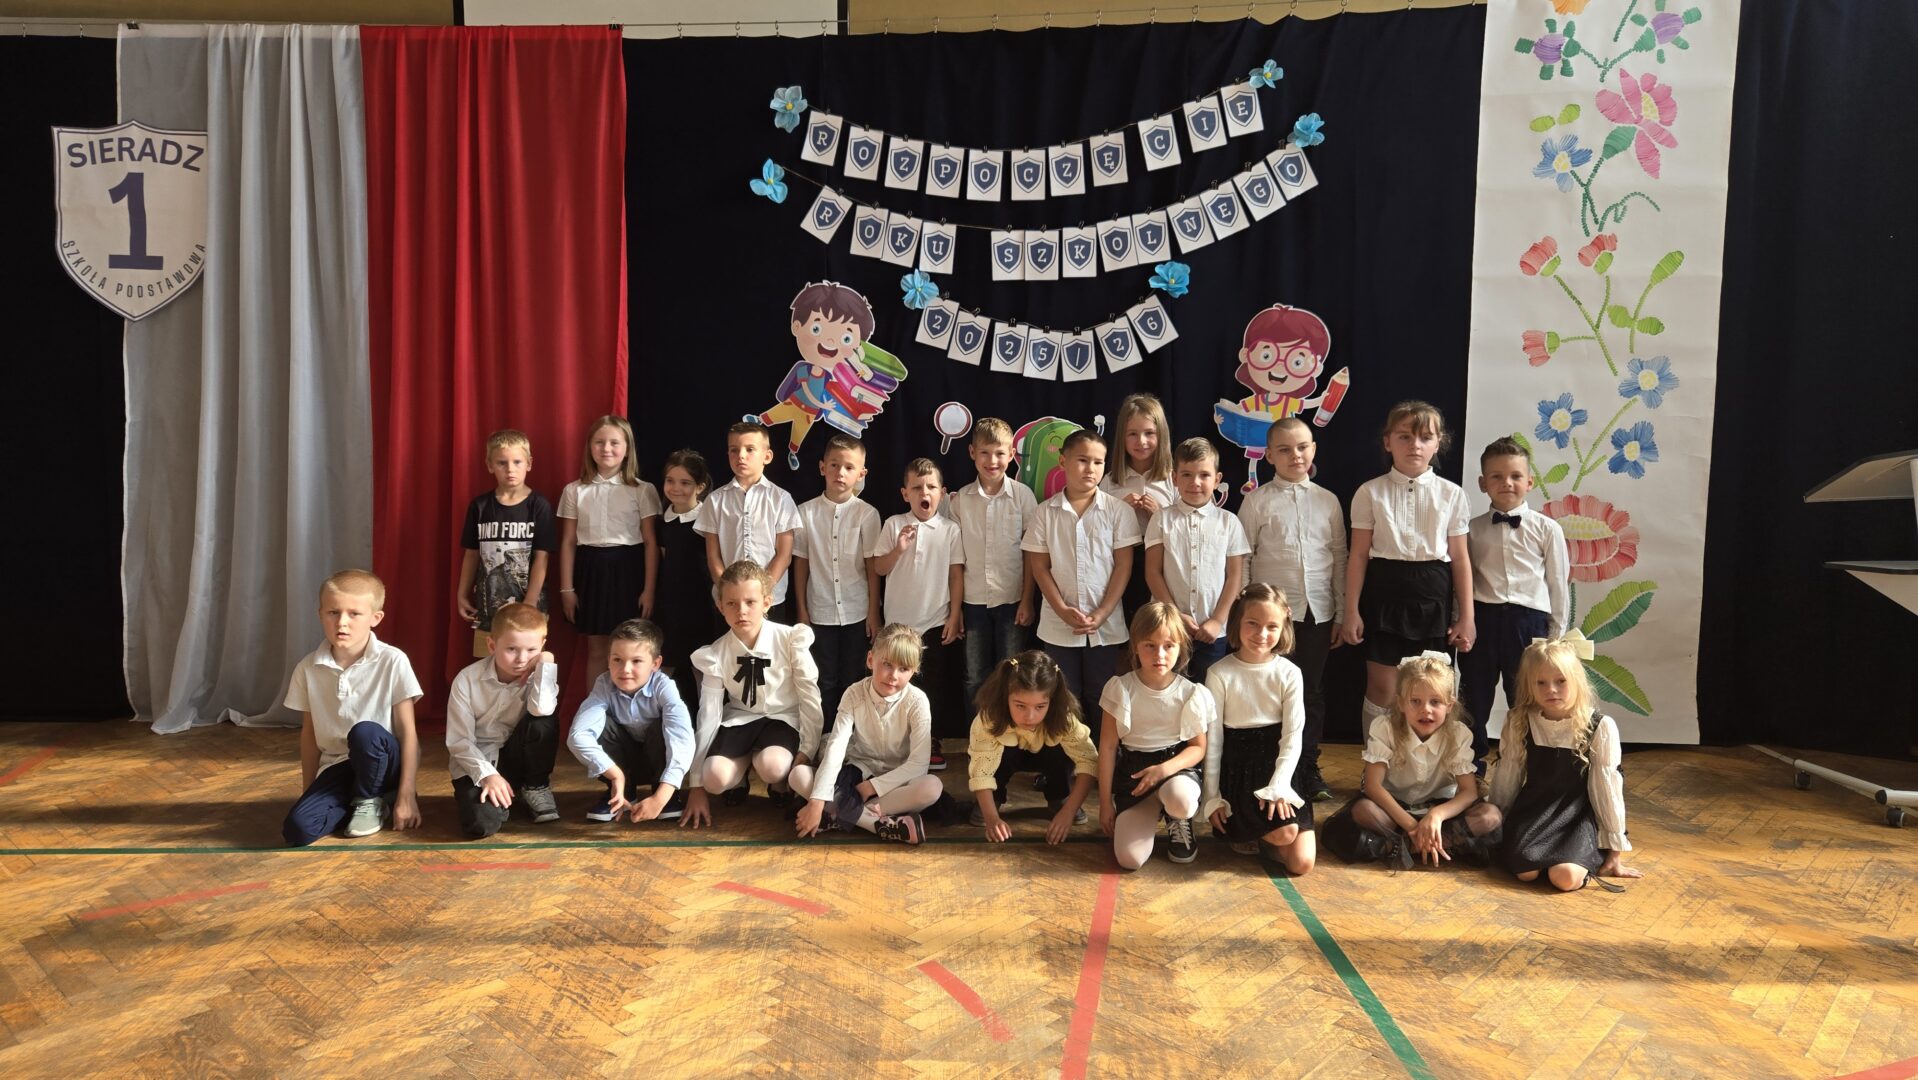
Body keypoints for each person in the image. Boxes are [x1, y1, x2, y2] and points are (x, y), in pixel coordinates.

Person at [1342, 401, 1475, 740]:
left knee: (1431, 688)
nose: (1414, 445)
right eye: (1404, 436)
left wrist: (1467, 617)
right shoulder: (1370, 492)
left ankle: (1428, 765)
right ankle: (1377, 762)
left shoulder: (1452, 494)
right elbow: (1358, 556)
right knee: (1383, 688)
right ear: (1388, 442)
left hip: (1433, 596)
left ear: (1438, 443)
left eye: (1425, 437)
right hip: (1384, 594)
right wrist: (1351, 610)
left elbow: (1460, 558)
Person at [1236, 417, 1346, 801]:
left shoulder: (1328, 501)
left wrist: (1341, 612)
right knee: (1269, 692)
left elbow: (1339, 557)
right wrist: (1245, 614)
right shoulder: (1256, 501)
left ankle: (1306, 768)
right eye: (1284, 449)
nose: (1295, 455)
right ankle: (1266, 767)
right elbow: (1243, 558)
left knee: (1309, 693)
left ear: (1313, 449)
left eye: (1302, 447)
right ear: (1269, 456)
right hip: (1270, 620)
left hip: (1316, 613)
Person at [281, 570, 424, 846]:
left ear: (375, 618)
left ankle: (375, 797)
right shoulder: (307, 668)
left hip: (383, 759)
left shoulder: (393, 661)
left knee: (365, 732)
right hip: (339, 765)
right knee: (298, 829)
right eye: (333, 612)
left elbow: (408, 734)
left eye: (354, 614)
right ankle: (362, 801)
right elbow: (309, 736)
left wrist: (408, 795)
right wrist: (308, 791)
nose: (342, 623)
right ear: (320, 614)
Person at [1488, 634, 1642, 891]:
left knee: (1565, 878)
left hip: (1575, 816)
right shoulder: (1520, 720)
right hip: (1534, 811)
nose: (1551, 689)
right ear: (1529, 686)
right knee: (1526, 872)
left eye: (1561, 681)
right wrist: (1497, 821)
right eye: (1541, 683)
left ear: (1576, 680)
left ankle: (1579, 862)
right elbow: (1508, 775)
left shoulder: (1599, 726)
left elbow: (1607, 789)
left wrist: (1615, 849)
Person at [1320, 652, 1503, 868]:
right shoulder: (1385, 727)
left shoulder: (1458, 734)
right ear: (1400, 703)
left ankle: (1406, 845)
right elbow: (1372, 786)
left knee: (1490, 816)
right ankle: (1427, 841)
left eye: (1435, 702)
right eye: (1415, 701)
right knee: (1364, 811)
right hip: (1393, 809)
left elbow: (1469, 792)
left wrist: (1436, 815)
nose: (1426, 710)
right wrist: (1410, 825)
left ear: (1450, 705)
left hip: (1441, 810)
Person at [681, 561, 822, 827]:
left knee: (773, 766)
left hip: (782, 718)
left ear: (767, 603)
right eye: (731, 603)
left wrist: (808, 749)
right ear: (720, 606)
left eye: (750, 602)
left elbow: (810, 697)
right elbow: (709, 714)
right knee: (714, 779)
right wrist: (696, 784)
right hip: (741, 719)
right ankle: (741, 773)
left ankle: (778, 782)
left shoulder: (790, 639)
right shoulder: (716, 653)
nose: (741, 611)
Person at [1462, 437, 1570, 769]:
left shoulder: (1547, 529)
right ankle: (1471, 767)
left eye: (1515, 476)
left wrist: (1556, 636)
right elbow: (1462, 582)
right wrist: (1460, 621)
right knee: (1473, 698)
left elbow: (1558, 583)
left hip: (1529, 624)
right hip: (1482, 622)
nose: (1506, 483)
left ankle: (1529, 767)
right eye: (1496, 476)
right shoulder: (1470, 530)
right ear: (1483, 483)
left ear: (1529, 481)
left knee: (1527, 698)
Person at [789, 623, 943, 845]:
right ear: (870, 659)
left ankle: (835, 814)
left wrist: (872, 787)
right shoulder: (854, 694)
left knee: (932, 788)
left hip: (895, 782)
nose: (893, 676)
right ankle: (875, 823)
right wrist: (816, 800)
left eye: (904, 669)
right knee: (798, 776)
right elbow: (836, 748)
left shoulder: (917, 701)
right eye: (887, 664)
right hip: (857, 774)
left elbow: (918, 763)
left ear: (914, 671)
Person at [1201, 583, 1314, 875]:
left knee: (1301, 863)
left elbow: (1292, 737)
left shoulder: (1290, 673)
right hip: (1239, 771)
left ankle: (1261, 837)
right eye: (1253, 623)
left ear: (1283, 626)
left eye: (1271, 626)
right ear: (1238, 621)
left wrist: (1280, 785)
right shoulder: (1219, 673)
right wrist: (1212, 796)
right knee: (1285, 834)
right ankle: (1255, 832)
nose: (1261, 634)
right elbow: (1214, 742)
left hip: (1280, 769)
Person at [1023, 428, 1142, 705]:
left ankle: (1103, 737)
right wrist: (1062, 609)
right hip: (1058, 625)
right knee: (1064, 696)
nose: (1090, 468)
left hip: (1106, 626)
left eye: (1098, 462)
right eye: (1082, 460)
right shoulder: (1044, 512)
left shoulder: (1118, 511)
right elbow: (1039, 567)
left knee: (1103, 695)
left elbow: (1124, 565)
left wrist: (1102, 612)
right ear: (1062, 461)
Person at [1098, 603, 1214, 868]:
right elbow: (1107, 748)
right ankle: (1151, 808)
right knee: (1129, 860)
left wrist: (1163, 770)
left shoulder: (1190, 693)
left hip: (1175, 770)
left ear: (1180, 647)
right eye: (1150, 645)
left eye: (1168, 646)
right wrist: (1105, 804)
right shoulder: (1120, 688)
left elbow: (1198, 747)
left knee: (1181, 801)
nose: (1159, 654)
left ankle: (1177, 818)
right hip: (1134, 776)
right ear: (1135, 646)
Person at [871, 458, 965, 766]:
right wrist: (898, 548)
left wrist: (954, 615)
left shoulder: (950, 530)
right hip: (898, 626)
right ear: (905, 493)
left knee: (932, 686)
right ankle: (896, 743)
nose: (924, 493)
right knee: (894, 683)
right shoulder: (894, 524)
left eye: (931, 487)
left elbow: (956, 576)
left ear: (942, 493)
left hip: (934, 622)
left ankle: (929, 740)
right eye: (916, 488)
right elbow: (879, 568)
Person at [949, 417, 1038, 736]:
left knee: (1012, 674)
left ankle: (1011, 738)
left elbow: (1032, 554)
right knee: (975, 675)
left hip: (1012, 600)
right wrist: (955, 610)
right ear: (972, 453)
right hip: (973, 602)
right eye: (985, 453)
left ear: (1012, 454)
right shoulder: (960, 500)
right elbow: (955, 561)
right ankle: (978, 739)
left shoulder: (1023, 497)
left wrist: (1027, 599)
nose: (992, 461)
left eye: (1000, 453)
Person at [792, 434, 883, 734]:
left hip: (857, 611)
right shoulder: (805, 512)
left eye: (849, 467)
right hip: (820, 611)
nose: (840, 473)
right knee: (825, 678)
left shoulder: (867, 514)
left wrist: (873, 612)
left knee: (854, 677)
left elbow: (872, 568)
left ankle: (853, 737)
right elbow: (801, 564)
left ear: (861, 474)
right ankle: (825, 735)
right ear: (822, 467)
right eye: (834, 465)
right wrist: (802, 611)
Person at [558, 415, 660, 680]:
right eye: (599, 442)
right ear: (589, 447)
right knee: (597, 649)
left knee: (632, 647)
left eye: (614, 443)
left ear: (627, 449)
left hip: (630, 570)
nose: (606, 449)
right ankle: (598, 705)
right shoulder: (574, 490)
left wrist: (649, 590)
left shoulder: (642, 490)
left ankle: (631, 704)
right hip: (590, 570)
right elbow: (568, 542)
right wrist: (567, 589)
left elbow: (650, 542)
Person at [446, 602, 559, 837]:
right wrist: (488, 775)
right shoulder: (466, 680)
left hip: (518, 758)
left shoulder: (540, 674)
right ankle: (503, 800)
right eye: (511, 649)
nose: (521, 659)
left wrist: (546, 662)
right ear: (491, 645)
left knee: (543, 722)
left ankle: (534, 787)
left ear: (542, 646)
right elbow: (459, 741)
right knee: (481, 826)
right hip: (478, 762)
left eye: (531, 650)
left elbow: (542, 709)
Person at [566, 618, 694, 824]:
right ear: (608, 661)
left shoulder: (665, 687)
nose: (625, 669)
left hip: (658, 764)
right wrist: (615, 775)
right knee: (601, 725)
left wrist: (661, 797)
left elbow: (683, 742)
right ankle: (622, 792)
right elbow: (577, 736)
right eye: (617, 660)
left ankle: (666, 795)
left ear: (655, 664)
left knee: (661, 727)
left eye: (636, 661)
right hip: (623, 765)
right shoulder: (603, 685)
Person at [1144, 437, 1249, 685]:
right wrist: (1174, 615)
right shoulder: (1161, 519)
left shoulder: (1229, 522)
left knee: (1208, 694)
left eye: (1204, 475)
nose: (1195, 482)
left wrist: (1217, 621)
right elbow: (1153, 572)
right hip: (1169, 629)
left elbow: (1234, 576)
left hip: (1212, 631)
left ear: (1217, 479)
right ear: (1174, 478)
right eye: (1187, 475)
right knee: (1167, 690)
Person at [965, 651, 1099, 843]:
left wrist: (1069, 811)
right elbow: (980, 771)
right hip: (1007, 757)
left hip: (1049, 755)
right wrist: (991, 817)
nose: (1030, 717)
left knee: (1062, 751)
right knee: (996, 756)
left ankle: (1059, 795)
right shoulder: (989, 718)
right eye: (1020, 706)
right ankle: (994, 796)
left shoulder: (1063, 718)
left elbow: (1089, 761)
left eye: (1040, 707)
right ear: (1006, 697)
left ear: (1051, 701)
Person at [455, 429, 556, 659]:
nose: (510, 469)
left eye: (517, 462)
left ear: (529, 464)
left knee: (526, 665)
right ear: (490, 465)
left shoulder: (538, 506)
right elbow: (471, 554)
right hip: (489, 609)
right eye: (502, 463)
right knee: (488, 665)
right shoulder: (480, 506)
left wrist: (530, 602)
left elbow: (542, 558)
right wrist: (462, 594)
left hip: (530, 608)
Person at [699, 421, 801, 625]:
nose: (741, 456)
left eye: (750, 449)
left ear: (767, 456)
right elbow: (713, 556)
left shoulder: (781, 499)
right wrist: (728, 592)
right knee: (729, 646)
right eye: (734, 450)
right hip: (729, 602)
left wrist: (761, 593)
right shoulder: (715, 500)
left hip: (769, 600)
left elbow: (784, 555)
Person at [1102, 392, 1176, 624]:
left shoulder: (1174, 479)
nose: (1141, 441)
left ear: (1161, 435)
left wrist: (1159, 516)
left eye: (1149, 433)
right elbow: (1096, 529)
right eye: (1132, 434)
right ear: (1122, 437)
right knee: (1127, 625)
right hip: (1120, 564)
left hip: (1164, 564)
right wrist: (1119, 512)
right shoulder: (1110, 481)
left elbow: (1188, 528)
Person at [656, 449, 720, 705]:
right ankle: (668, 719)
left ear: (700, 486)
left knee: (701, 666)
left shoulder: (708, 520)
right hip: (670, 603)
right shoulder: (663, 520)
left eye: (685, 482)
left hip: (701, 604)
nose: (676, 488)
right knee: (668, 662)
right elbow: (665, 560)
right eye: (670, 481)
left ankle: (707, 723)